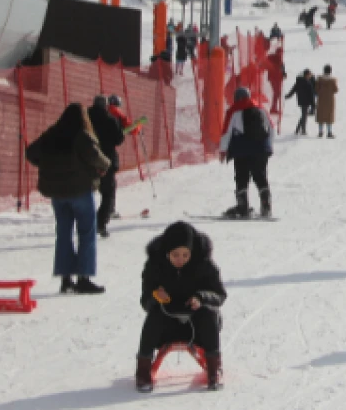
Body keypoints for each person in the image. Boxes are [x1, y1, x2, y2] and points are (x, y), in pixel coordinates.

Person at [25, 103, 110, 294]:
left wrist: (47, 164)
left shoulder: (52, 134)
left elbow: (30, 153)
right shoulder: (81, 135)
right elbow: (96, 157)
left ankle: (65, 279)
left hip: (57, 195)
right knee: (86, 233)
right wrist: (106, 165)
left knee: (63, 234)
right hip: (80, 191)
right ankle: (84, 278)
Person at [136, 221, 226, 393]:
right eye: (176, 255)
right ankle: (143, 370)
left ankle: (214, 368)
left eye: (185, 255)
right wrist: (156, 296)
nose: (181, 260)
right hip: (167, 323)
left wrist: (201, 297)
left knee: (209, 313)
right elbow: (145, 300)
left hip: (196, 324)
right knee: (153, 315)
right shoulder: (154, 266)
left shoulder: (205, 264)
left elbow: (220, 295)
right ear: (166, 253)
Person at [220, 88, 274, 218]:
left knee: (241, 177)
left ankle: (242, 207)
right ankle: (266, 206)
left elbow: (226, 132)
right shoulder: (260, 108)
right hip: (261, 148)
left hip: (242, 149)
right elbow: (271, 128)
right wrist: (269, 146)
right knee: (260, 176)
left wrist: (223, 150)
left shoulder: (234, 110)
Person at [87, 96, 125, 239]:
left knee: (85, 194)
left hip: (88, 160)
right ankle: (100, 222)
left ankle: (86, 223)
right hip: (107, 161)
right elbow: (118, 139)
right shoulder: (110, 119)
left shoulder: (85, 119)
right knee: (107, 194)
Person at [286, 69, 317, 135]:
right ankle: (303, 130)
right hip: (306, 101)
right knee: (304, 115)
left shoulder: (299, 82)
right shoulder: (309, 83)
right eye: (310, 75)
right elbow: (311, 95)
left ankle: (297, 129)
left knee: (304, 115)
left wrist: (288, 96)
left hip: (300, 100)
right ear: (307, 75)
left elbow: (293, 90)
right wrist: (313, 105)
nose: (310, 76)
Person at [315, 65, 338, 139]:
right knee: (329, 116)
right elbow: (336, 90)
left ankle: (320, 132)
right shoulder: (333, 80)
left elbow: (316, 89)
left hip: (321, 99)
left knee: (321, 116)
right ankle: (329, 132)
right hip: (330, 100)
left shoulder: (319, 79)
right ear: (330, 71)